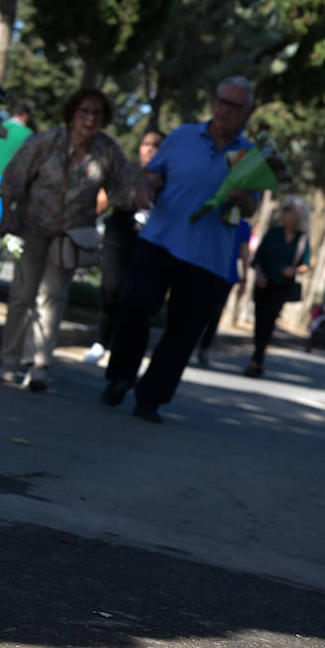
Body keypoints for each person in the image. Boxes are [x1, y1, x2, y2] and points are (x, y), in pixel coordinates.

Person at [101, 76, 260, 423]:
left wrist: (243, 197)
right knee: (133, 306)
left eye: (233, 105)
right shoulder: (182, 136)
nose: (224, 110)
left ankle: (150, 399)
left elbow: (250, 211)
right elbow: (151, 173)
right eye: (220, 101)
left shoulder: (250, 155)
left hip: (208, 258)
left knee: (183, 333)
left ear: (246, 112)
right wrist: (146, 187)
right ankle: (120, 376)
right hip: (160, 239)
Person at [0, 88, 135, 392]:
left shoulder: (107, 151)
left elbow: (125, 189)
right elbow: (13, 178)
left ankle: (40, 365)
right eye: (84, 111)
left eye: (97, 113)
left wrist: (136, 195)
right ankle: (9, 362)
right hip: (32, 227)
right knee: (22, 294)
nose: (90, 118)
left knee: (53, 297)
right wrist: (8, 214)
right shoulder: (47, 141)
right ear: (73, 113)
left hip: (70, 236)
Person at [86, 129, 165, 364]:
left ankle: (119, 347)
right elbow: (106, 196)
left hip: (147, 242)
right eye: (146, 143)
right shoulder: (127, 170)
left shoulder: (168, 178)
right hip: (118, 232)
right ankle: (101, 341)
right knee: (110, 289)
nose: (150, 149)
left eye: (157, 145)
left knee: (132, 297)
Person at [244, 196, 311, 378]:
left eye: (289, 209)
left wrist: (294, 270)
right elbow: (257, 258)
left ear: (298, 215)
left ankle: (256, 359)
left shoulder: (302, 239)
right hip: (263, 282)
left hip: (282, 286)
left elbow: (306, 264)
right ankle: (258, 357)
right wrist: (259, 274)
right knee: (259, 320)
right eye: (284, 208)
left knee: (269, 320)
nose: (284, 212)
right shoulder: (273, 233)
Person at [196, 217, 252, 367]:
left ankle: (203, 347)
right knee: (212, 312)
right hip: (214, 271)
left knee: (209, 312)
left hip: (219, 273)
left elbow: (245, 252)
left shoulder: (241, 224)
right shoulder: (223, 218)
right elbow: (245, 252)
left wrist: (244, 279)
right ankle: (202, 348)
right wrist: (244, 279)